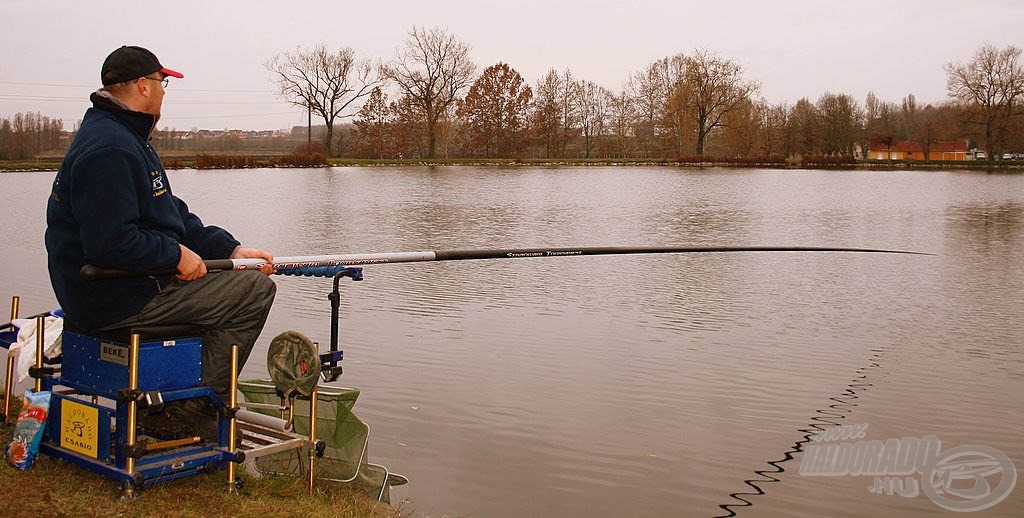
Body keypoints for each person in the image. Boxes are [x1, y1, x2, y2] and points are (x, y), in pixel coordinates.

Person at [45, 45, 277, 439]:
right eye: (162, 82)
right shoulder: (110, 149)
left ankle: (176, 396)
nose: (166, 90)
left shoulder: (126, 137)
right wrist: (174, 256)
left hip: (124, 285)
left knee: (240, 276)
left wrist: (231, 250)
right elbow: (111, 243)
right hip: (111, 297)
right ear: (142, 86)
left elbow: (172, 216)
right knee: (253, 291)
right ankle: (190, 406)